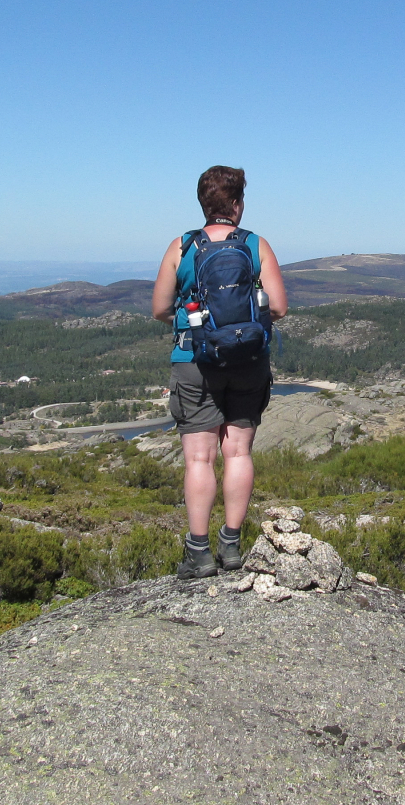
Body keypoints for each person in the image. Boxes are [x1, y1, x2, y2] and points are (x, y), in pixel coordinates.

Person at [151, 166, 288, 578]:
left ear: (203, 204)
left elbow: (159, 309)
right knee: (238, 453)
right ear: (236, 204)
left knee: (199, 457)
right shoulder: (254, 244)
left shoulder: (182, 246)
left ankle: (199, 553)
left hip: (195, 363)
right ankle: (231, 546)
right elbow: (279, 307)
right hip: (248, 361)